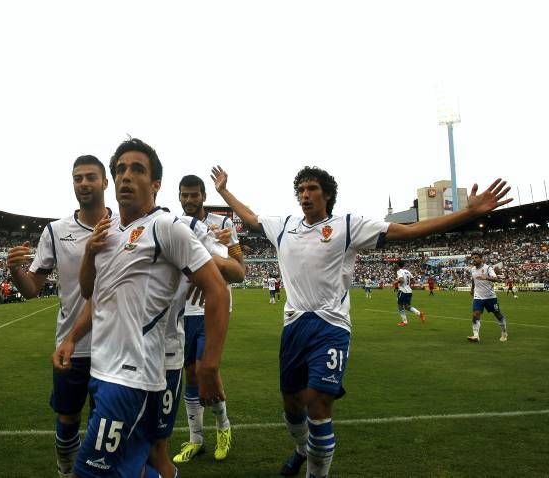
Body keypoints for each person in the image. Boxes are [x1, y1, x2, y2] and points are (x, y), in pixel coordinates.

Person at [209, 164, 510, 477]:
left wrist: (469, 213)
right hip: (294, 324)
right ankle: (301, 449)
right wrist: (223, 191)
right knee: (292, 404)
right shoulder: (284, 225)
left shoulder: (349, 226)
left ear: (326, 194)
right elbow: (250, 217)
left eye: (312, 189)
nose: (305, 195)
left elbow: (408, 231)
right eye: (301, 190)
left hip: (331, 326)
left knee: (319, 404)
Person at [53, 138, 230, 478]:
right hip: (102, 371)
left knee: (89, 473)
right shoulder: (111, 233)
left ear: (156, 184)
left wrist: (208, 367)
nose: (126, 176)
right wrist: (72, 337)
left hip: (131, 379)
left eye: (137, 169)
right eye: (120, 169)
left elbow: (218, 290)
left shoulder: (165, 226)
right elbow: (95, 294)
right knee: (138, 465)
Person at [7, 155, 111, 478]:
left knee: (106, 423)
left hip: (114, 344)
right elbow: (32, 289)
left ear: (105, 182)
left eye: (90, 177)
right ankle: (66, 470)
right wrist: (15, 270)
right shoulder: (55, 231)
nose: (83, 183)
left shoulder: (124, 226)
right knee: (68, 418)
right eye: (78, 178)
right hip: (72, 346)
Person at [173, 174, 243, 464]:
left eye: (194, 195)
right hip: (184, 310)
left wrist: (221, 259)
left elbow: (240, 269)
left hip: (213, 306)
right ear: (178, 197)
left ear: (203, 196)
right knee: (190, 373)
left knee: (207, 371)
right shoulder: (176, 227)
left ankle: (224, 427)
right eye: (184, 195)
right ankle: (196, 439)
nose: (189, 200)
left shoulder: (223, 224)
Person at [468, 252, 509, 343]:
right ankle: (476, 336)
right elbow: (473, 280)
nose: (474, 259)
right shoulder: (472, 270)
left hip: (490, 297)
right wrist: (472, 289)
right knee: (475, 314)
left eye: (476, 257)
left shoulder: (488, 268)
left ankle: (504, 332)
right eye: (473, 258)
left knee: (497, 314)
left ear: (481, 259)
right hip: (478, 296)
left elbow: (496, 279)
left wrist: (486, 277)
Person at [394, 260, 425, 327]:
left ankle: (404, 322)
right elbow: (413, 280)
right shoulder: (408, 271)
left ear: (398, 265)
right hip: (409, 291)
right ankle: (419, 313)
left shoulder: (399, 271)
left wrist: (396, 282)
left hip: (402, 291)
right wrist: (408, 285)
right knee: (407, 307)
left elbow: (401, 280)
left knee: (400, 306)